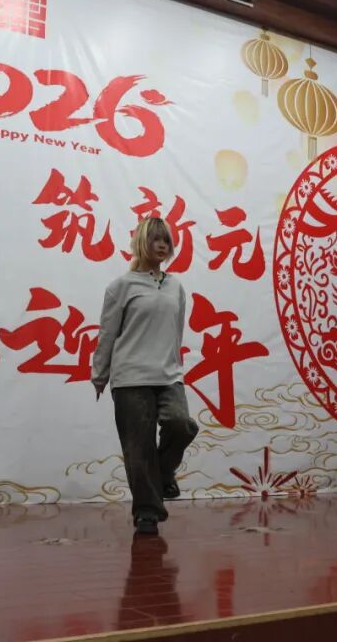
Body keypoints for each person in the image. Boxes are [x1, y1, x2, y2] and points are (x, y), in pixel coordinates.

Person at [92, 216, 200, 535]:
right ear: (141, 242)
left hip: (168, 375)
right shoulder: (121, 287)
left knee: (181, 425)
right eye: (156, 239)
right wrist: (100, 375)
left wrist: (176, 368)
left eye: (166, 240)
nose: (162, 245)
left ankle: (163, 474)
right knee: (138, 448)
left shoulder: (176, 286)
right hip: (130, 378)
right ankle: (147, 513)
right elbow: (107, 334)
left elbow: (176, 332)